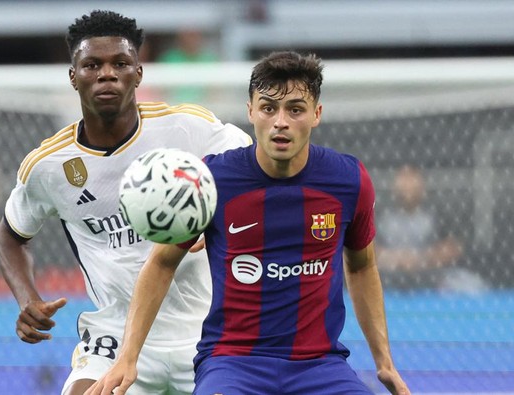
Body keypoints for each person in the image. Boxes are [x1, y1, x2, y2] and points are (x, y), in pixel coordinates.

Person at [87, 51, 410, 395]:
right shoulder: (210, 181)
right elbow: (161, 263)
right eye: (269, 108)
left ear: (316, 114)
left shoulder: (348, 180)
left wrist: (384, 362)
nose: (280, 121)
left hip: (320, 365)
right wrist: (127, 357)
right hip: (233, 364)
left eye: (295, 109)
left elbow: (361, 267)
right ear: (251, 111)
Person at [0, 10, 252, 395]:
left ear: (139, 73)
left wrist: (214, 214)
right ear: (73, 76)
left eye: (120, 63)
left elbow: (253, 170)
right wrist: (27, 299)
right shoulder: (48, 165)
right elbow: (10, 234)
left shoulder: (187, 127)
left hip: (206, 331)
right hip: (114, 336)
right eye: (92, 65)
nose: (107, 74)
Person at [377, 165, 486, 292]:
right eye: (403, 178)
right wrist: (395, 259)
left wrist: (421, 259)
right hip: (386, 278)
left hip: (433, 277)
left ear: (422, 186)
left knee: (475, 287)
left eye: (412, 178)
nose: (407, 185)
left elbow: (454, 247)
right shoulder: (380, 215)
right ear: (394, 186)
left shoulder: (437, 214)